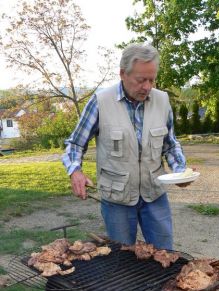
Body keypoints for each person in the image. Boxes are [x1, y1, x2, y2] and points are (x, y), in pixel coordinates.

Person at [62, 43, 191, 250]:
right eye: (141, 80)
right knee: (121, 260)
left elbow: (170, 144)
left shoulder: (162, 101)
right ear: (123, 73)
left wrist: (180, 171)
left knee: (164, 255)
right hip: (117, 199)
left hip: (154, 193)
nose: (147, 86)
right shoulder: (100, 101)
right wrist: (75, 170)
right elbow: (76, 143)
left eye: (152, 79)